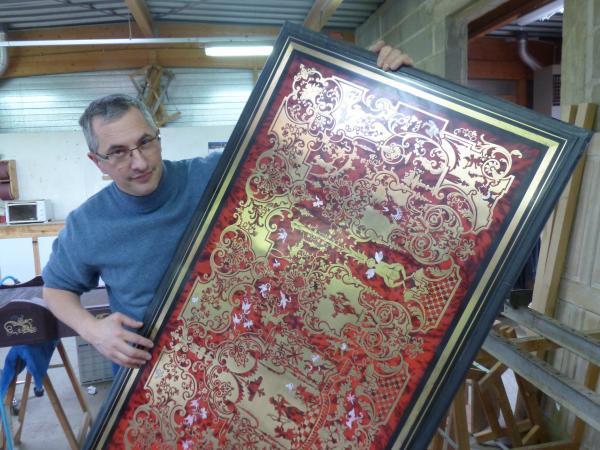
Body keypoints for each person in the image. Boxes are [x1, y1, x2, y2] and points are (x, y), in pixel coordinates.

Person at [42, 43, 412, 369]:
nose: (139, 162)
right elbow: (56, 288)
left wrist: (368, 78)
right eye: (119, 153)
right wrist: (93, 330)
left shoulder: (217, 174)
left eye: (145, 143)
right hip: (152, 380)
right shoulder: (87, 224)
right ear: (97, 161)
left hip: (248, 362)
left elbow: (312, 149)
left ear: (158, 136)